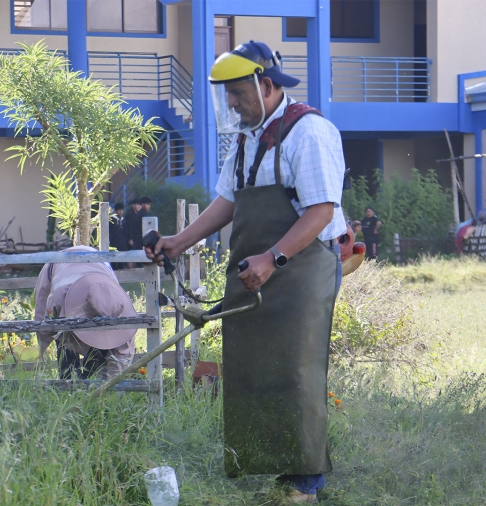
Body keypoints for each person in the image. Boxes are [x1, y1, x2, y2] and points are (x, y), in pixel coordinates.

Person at [147, 41, 346, 503]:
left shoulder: (309, 132)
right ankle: (274, 464)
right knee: (255, 367)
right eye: (227, 95)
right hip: (257, 269)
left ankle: (306, 482)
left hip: (302, 266)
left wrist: (272, 259)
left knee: (296, 370)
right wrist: (179, 241)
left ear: (267, 85)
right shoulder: (246, 139)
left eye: (237, 93)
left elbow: (320, 211)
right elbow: (228, 200)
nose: (232, 103)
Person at [34, 246, 137, 380]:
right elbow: (45, 321)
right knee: (63, 338)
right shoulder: (59, 296)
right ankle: (68, 383)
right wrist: (43, 351)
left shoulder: (114, 299)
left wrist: (113, 384)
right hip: (60, 263)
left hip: (99, 262)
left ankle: (89, 381)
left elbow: (123, 354)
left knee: (102, 348)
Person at [109, 202, 128, 270]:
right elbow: (110, 232)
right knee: (114, 262)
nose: (121, 212)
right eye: (119, 210)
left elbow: (126, 232)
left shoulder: (124, 221)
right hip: (114, 244)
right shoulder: (111, 220)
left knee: (121, 262)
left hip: (122, 244)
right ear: (116, 211)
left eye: (122, 210)